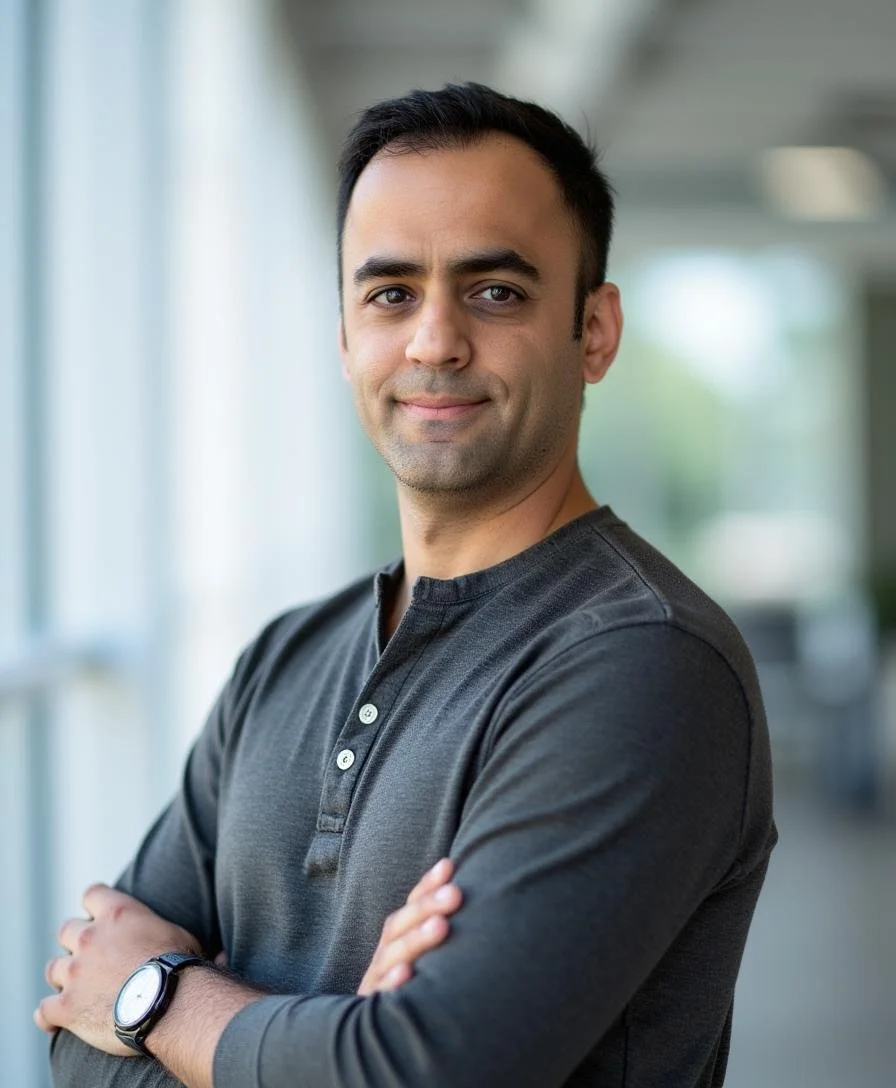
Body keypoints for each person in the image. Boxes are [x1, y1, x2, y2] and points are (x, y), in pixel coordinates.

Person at [37, 82, 777, 1087]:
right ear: (345, 335)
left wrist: (161, 998)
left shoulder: (643, 661)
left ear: (592, 331)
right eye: (389, 292)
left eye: (495, 290)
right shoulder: (284, 658)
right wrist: (338, 1035)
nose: (433, 341)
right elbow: (72, 1044)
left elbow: (422, 1074)